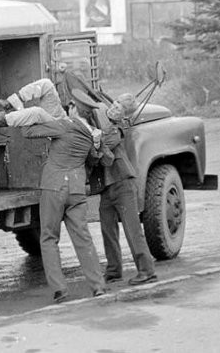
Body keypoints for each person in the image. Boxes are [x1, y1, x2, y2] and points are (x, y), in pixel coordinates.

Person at [20, 97, 106, 303]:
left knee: (49, 238)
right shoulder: (91, 134)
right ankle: (98, 286)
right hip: (76, 188)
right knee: (83, 238)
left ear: (74, 109)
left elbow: (28, 132)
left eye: (70, 106)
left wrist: (26, 114)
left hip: (54, 186)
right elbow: (93, 160)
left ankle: (60, 289)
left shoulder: (64, 126)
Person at [73, 89, 158, 286]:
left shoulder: (117, 128)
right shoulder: (107, 125)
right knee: (107, 229)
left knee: (132, 229)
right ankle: (113, 271)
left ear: (125, 114)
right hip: (107, 187)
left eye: (119, 106)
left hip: (122, 183)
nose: (114, 107)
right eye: (115, 103)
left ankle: (147, 271)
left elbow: (102, 148)